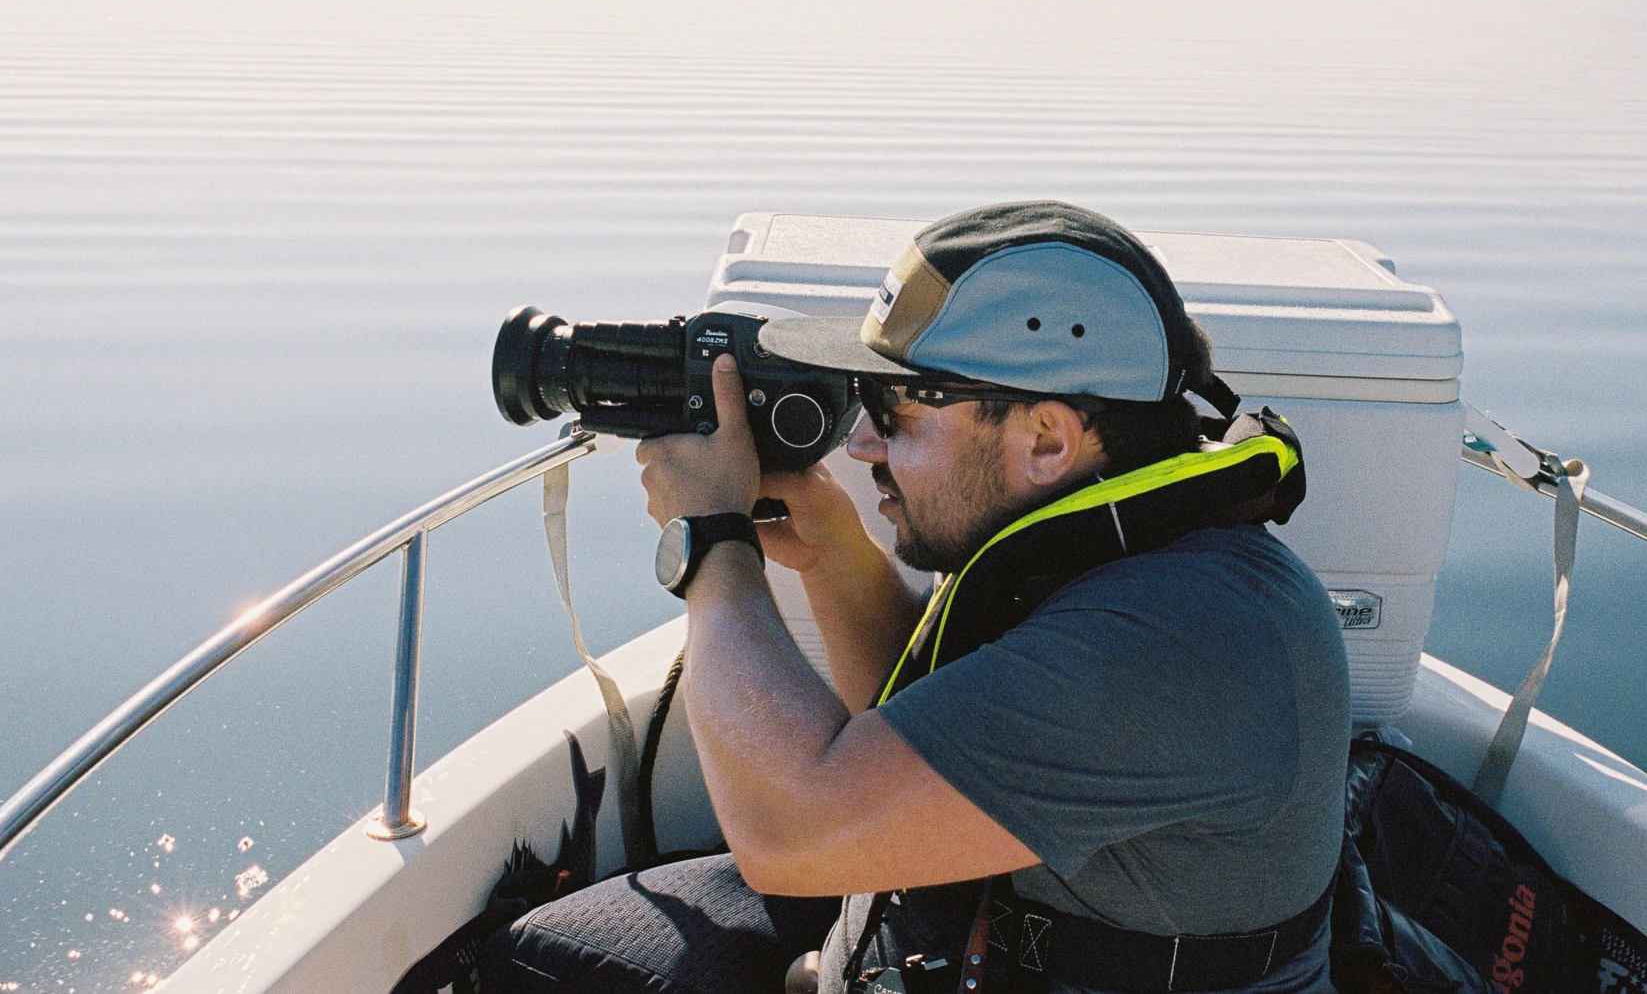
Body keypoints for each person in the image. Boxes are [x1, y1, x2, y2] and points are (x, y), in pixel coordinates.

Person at [486, 201, 1350, 994]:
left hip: (958, 942)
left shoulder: (1175, 642)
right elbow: (917, 735)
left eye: (895, 409)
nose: (861, 443)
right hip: (946, 935)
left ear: (1046, 437)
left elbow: (791, 835)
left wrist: (712, 545)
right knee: (555, 944)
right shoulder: (1091, 542)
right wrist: (834, 557)